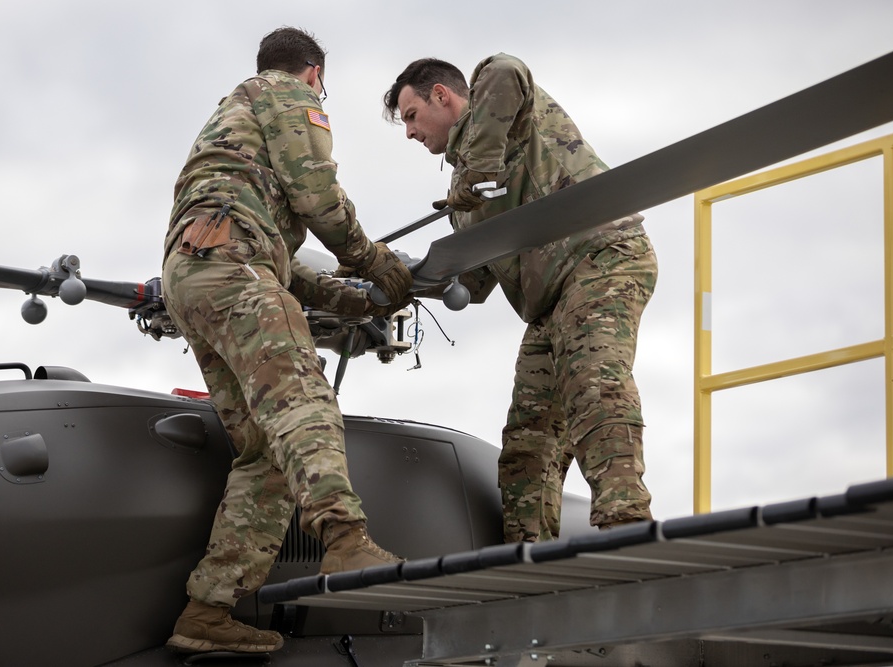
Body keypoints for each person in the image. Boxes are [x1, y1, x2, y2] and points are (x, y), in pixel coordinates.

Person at [161, 27, 411, 654]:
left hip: (197, 276)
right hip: (231, 266)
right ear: (315, 73)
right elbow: (316, 194)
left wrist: (341, 294)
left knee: (266, 456)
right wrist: (374, 261)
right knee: (305, 403)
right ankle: (346, 540)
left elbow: (272, 247)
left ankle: (207, 611)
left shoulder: (229, 125)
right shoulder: (285, 95)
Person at [383, 55, 656, 541]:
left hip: (600, 258)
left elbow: (507, 69)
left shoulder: (500, 112)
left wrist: (480, 168)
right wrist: (408, 275)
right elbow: (477, 283)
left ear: (441, 96)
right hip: (549, 304)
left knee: (592, 384)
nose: (409, 133)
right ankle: (526, 554)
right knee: (528, 443)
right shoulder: (462, 197)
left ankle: (625, 522)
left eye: (410, 116)